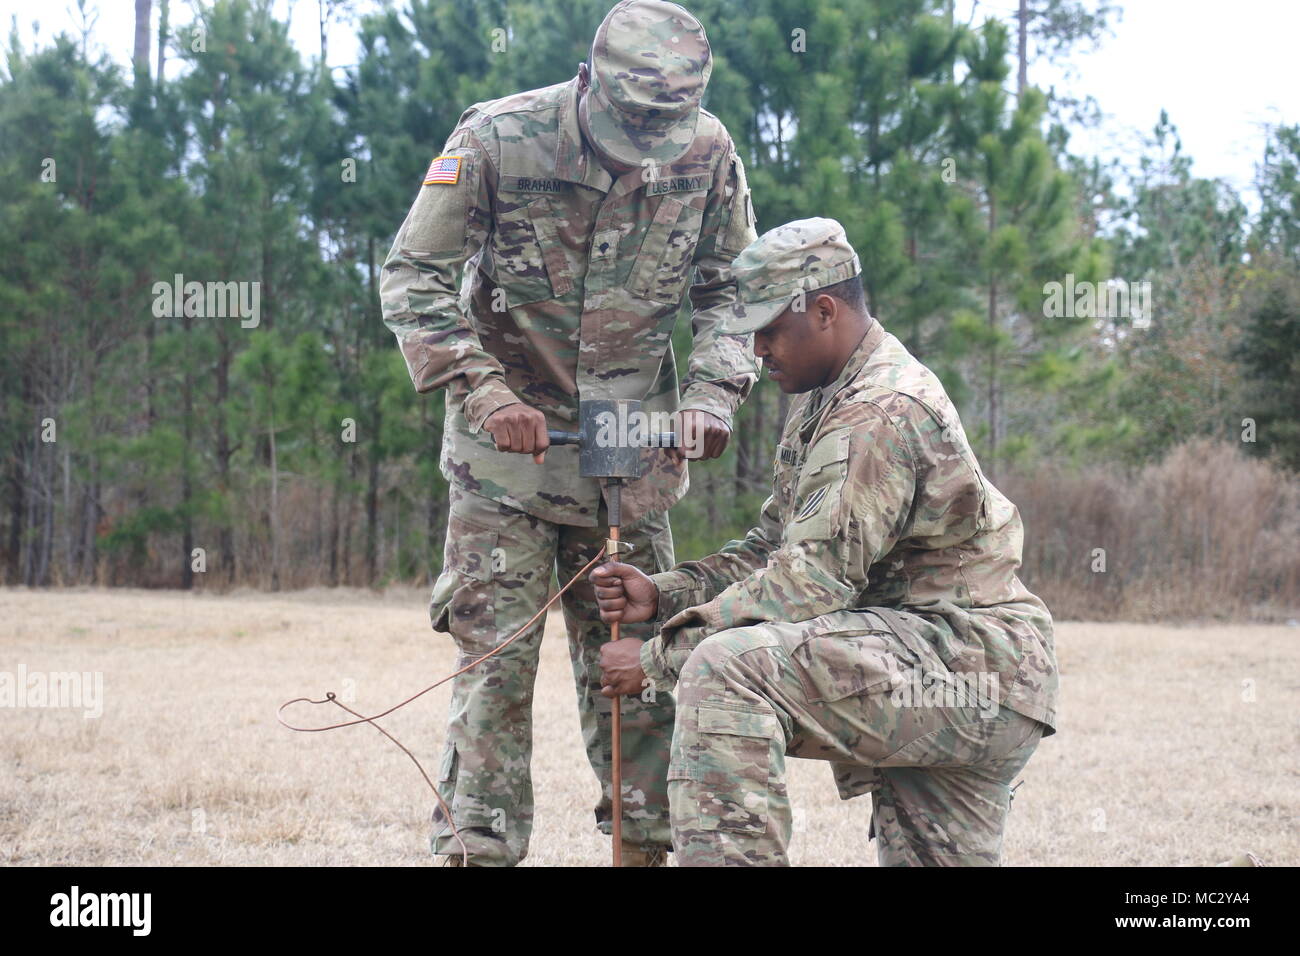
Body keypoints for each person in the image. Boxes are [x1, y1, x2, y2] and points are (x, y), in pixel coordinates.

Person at [378, 0, 757, 867]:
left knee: (632, 663)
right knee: (494, 672)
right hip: (505, 448)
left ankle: (643, 849)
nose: (647, 151)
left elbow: (735, 291)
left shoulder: (708, 151)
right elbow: (414, 278)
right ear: (587, 82)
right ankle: (477, 853)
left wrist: (711, 394)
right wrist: (478, 388)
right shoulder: (498, 138)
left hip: (630, 443)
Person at [591, 218, 1058, 866]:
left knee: (724, 669)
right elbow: (772, 549)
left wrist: (653, 660)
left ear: (825, 310)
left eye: (770, 328)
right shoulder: (825, 399)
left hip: (966, 663)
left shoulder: (878, 410)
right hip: (953, 665)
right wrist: (665, 595)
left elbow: (809, 583)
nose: (757, 349)